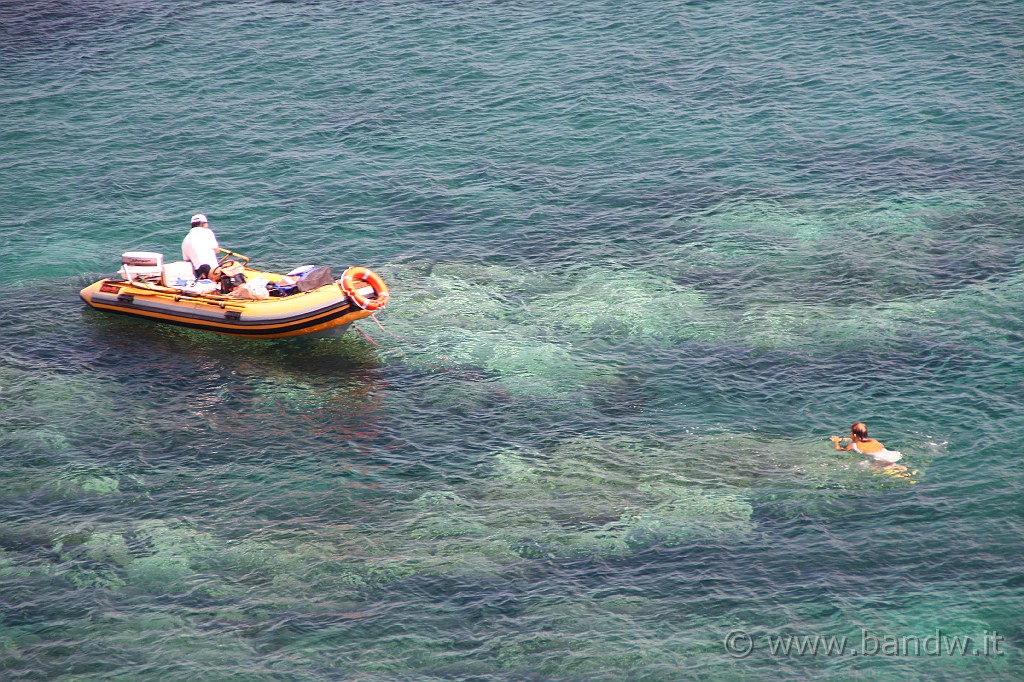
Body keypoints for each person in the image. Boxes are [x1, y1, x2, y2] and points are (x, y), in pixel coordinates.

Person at [830, 421, 903, 464]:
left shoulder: (853, 446)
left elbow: (838, 449)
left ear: (854, 435)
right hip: (889, 454)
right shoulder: (874, 441)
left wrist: (836, 442)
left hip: (879, 459)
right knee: (895, 468)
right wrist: (843, 439)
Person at [181, 213, 224, 279]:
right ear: (204, 224)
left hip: (200, 274)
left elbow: (187, 261)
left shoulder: (185, 240)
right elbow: (217, 251)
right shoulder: (207, 232)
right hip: (212, 270)